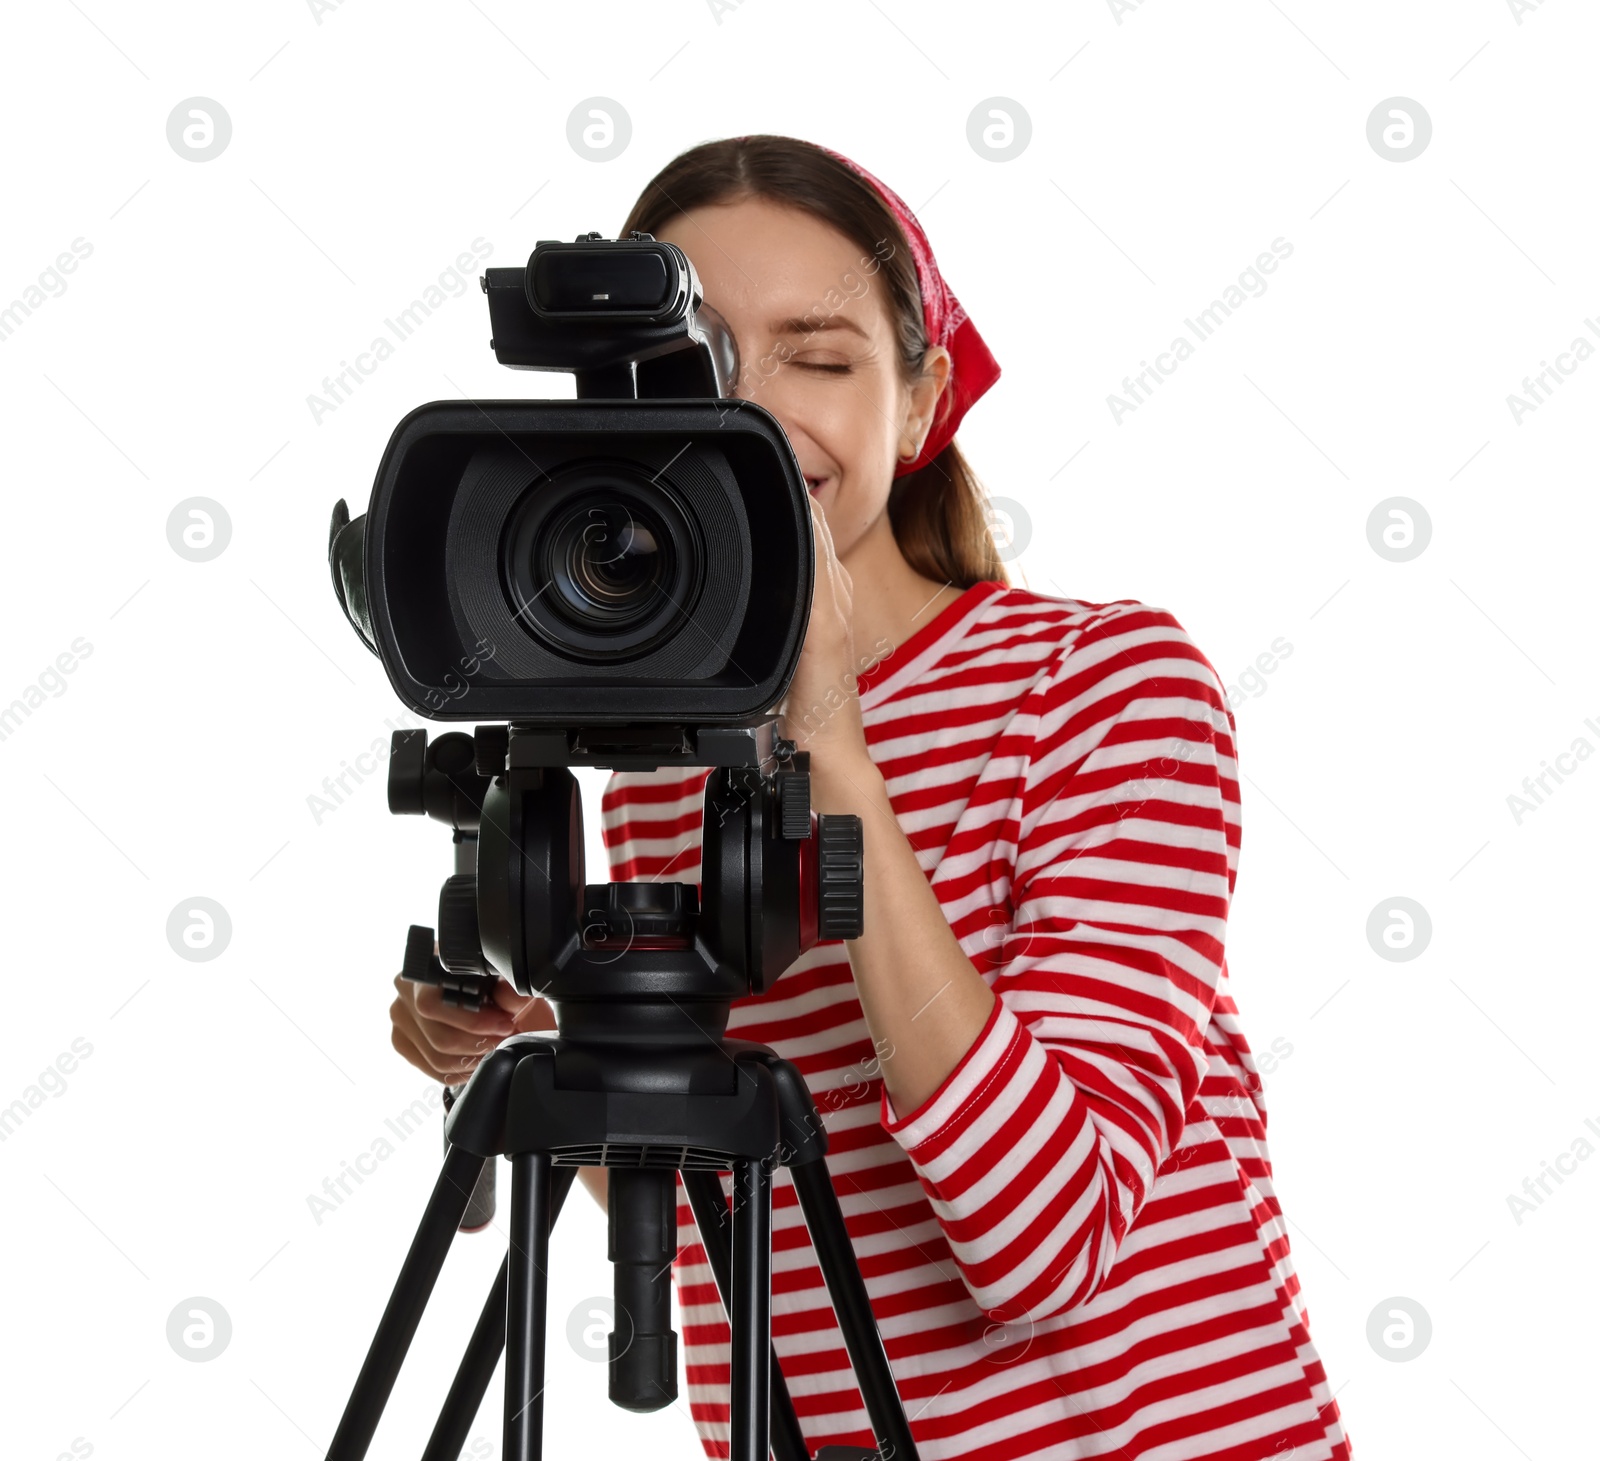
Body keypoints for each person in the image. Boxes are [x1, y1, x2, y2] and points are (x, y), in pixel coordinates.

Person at [390, 134, 1352, 1461]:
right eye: (696, 366)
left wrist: (833, 744)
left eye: (820, 357)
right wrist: (534, 1043)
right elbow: (715, 1209)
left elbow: (1046, 1241)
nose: (759, 413)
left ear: (917, 400)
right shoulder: (660, 775)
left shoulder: (1105, 682)